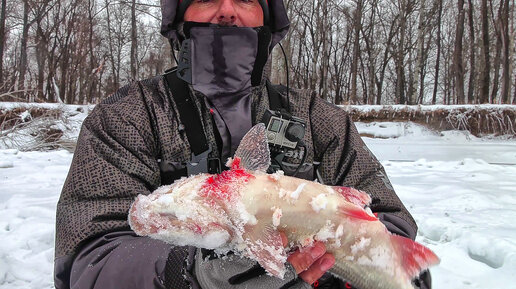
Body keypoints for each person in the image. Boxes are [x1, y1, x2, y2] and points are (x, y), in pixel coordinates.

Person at [54, 0, 431, 288]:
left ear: (267, 17)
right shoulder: (125, 117)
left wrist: (325, 273)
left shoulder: (321, 118)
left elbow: (393, 228)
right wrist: (193, 274)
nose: (227, 11)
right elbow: (90, 261)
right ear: (181, 15)